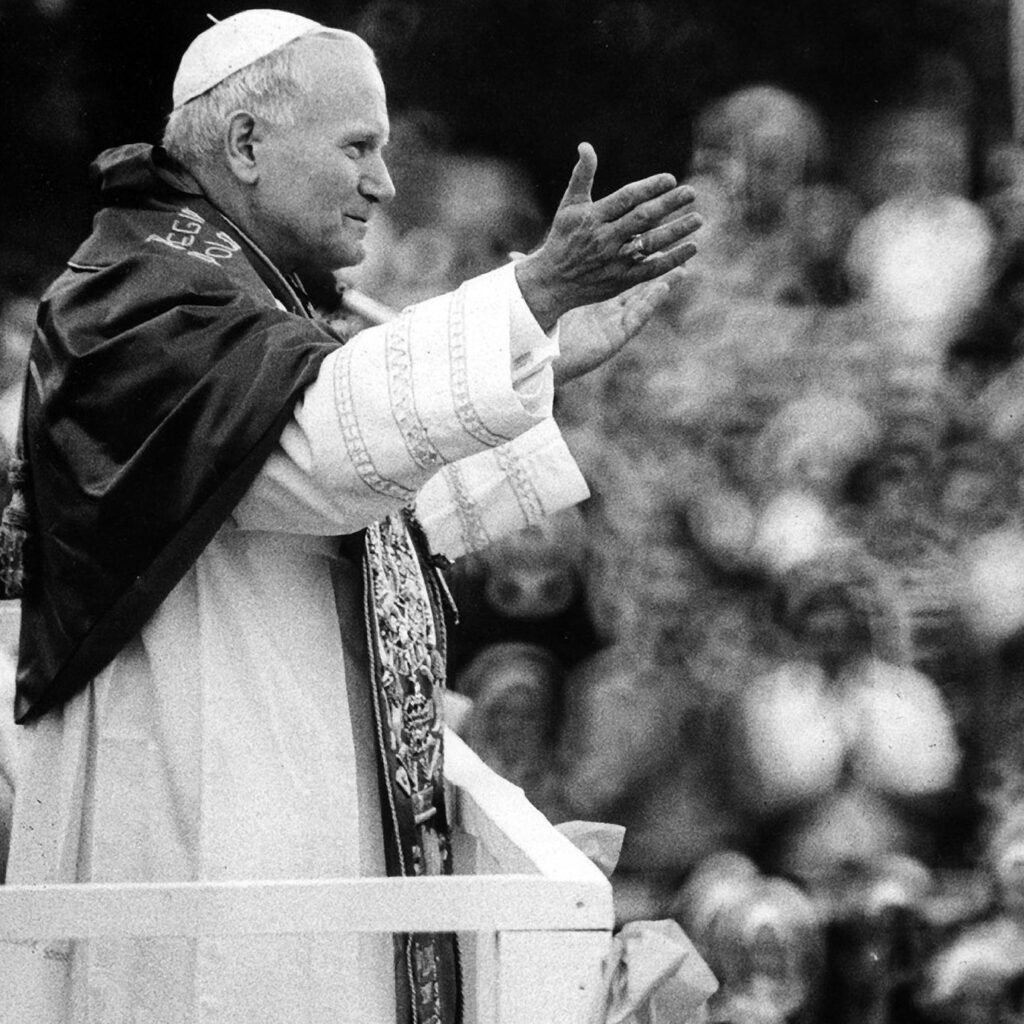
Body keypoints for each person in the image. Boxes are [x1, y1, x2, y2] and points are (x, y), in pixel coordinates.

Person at [0, 9, 702, 1024]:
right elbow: (323, 457)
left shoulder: (239, 291)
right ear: (247, 144)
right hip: (199, 822)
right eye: (358, 147)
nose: (384, 183)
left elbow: (361, 509)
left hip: (269, 798)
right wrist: (530, 296)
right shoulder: (140, 297)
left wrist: (538, 354)